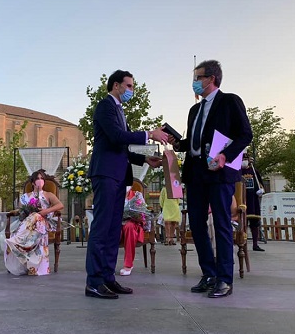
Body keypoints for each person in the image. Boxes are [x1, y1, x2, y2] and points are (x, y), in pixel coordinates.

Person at [169, 60, 252, 298]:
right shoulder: (194, 110)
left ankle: (225, 279)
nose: (194, 83)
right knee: (196, 223)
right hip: (195, 172)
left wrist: (226, 155)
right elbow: (193, 142)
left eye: (198, 78)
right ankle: (209, 274)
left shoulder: (230, 101)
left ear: (211, 79)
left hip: (219, 171)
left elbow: (245, 133)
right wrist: (178, 143)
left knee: (221, 223)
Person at [85, 69, 167, 299]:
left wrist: (144, 159)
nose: (132, 90)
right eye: (129, 86)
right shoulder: (105, 106)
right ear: (116, 86)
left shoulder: (119, 111)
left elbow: (123, 147)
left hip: (119, 175)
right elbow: (116, 137)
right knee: (102, 228)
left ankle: (108, 278)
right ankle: (93, 282)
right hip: (105, 174)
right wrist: (149, 133)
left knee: (113, 229)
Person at [4, 170, 64, 276]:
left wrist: (45, 211)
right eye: (37, 178)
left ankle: (18, 241)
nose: (40, 181)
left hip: (43, 222)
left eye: (42, 179)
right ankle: (18, 243)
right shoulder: (25, 196)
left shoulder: (48, 194)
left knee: (37, 216)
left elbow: (60, 205)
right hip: (28, 224)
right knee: (32, 216)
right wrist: (26, 211)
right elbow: (20, 212)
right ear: (32, 182)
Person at [119, 189, 150, 276]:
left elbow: (143, 213)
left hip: (133, 223)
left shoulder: (137, 195)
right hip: (117, 222)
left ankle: (128, 265)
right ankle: (108, 265)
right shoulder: (114, 194)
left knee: (129, 226)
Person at [241, 153, 265, 251]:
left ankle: (255, 244)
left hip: (253, 200)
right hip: (242, 200)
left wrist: (261, 191)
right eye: (243, 159)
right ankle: (242, 243)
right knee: (242, 224)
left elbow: (260, 184)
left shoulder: (254, 171)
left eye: (246, 159)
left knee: (255, 223)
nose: (245, 161)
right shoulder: (238, 171)